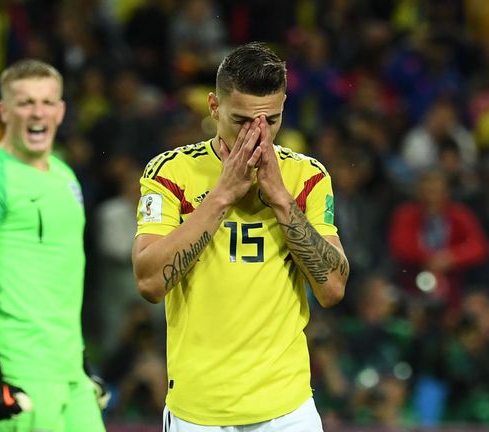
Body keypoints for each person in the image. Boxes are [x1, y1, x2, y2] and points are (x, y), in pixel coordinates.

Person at [132, 42, 350, 431]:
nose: (258, 135)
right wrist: (221, 196)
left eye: (271, 121)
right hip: (198, 410)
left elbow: (332, 289)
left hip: (287, 409)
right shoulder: (170, 173)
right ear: (214, 107)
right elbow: (149, 282)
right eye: (242, 121)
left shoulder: (307, 177)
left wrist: (281, 199)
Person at [0, 59, 106, 431]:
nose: (38, 113)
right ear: (4, 111)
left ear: (61, 111)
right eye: (25, 103)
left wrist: (81, 358)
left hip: (69, 370)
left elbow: (61, 274)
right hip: (19, 368)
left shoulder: (65, 177)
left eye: (47, 102)